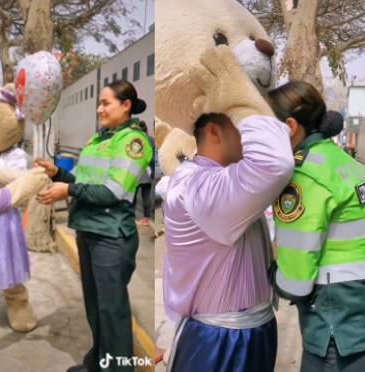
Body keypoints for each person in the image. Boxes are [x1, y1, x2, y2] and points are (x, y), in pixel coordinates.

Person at [162, 47, 295, 372]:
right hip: (218, 340)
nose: (249, 136)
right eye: (241, 125)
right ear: (214, 132)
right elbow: (274, 162)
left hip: (250, 329)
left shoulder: (220, 182)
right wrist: (239, 97)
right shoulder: (195, 187)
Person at [36, 80, 152, 372]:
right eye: (98, 103)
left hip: (111, 237)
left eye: (106, 103)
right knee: (96, 307)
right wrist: (59, 173)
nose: (99, 108)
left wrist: (68, 191)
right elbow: (82, 180)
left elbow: (112, 192)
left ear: (126, 106)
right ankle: (98, 363)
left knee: (112, 311)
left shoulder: (132, 142)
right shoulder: (99, 139)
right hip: (89, 231)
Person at [268, 81, 365, 372]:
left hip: (334, 325)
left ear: (290, 126)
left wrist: (271, 275)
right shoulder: (347, 163)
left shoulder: (304, 178)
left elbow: (295, 281)